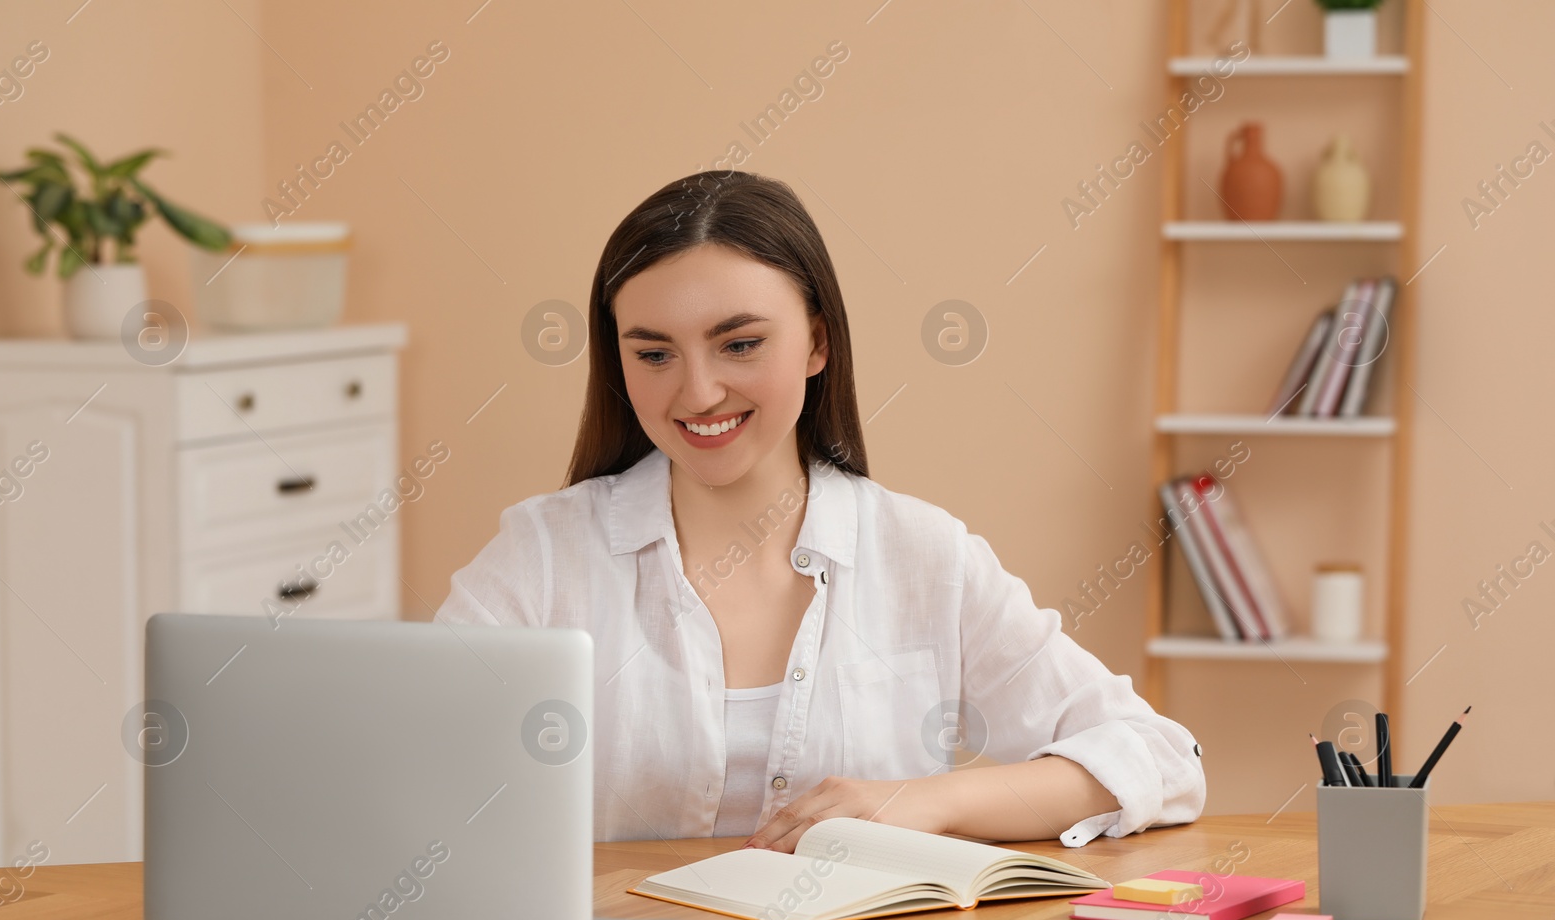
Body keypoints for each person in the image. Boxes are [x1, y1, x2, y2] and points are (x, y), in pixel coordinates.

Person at [436, 170, 1204, 853]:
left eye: (738, 345)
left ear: (816, 343)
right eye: (654, 353)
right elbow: (407, 763)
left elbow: (1161, 756)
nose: (697, 392)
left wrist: (927, 802)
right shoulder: (541, 555)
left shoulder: (922, 555)